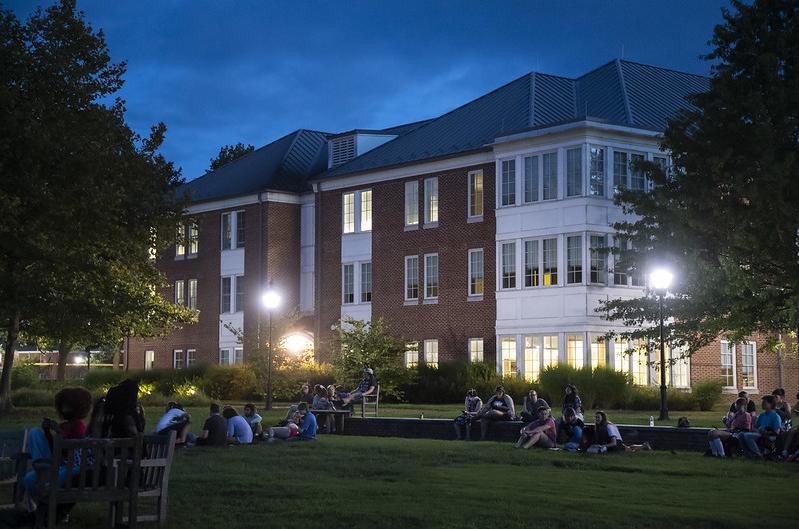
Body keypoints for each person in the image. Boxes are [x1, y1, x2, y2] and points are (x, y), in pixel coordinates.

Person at [22, 387, 93, 500]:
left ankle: (52, 508)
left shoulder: (79, 426)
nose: (64, 409)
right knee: (34, 432)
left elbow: (72, 448)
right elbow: (53, 447)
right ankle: (42, 466)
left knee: (37, 480)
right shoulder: (63, 425)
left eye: (67, 406)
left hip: (69, 464)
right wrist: (47, 431)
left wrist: (58, 432)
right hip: (54, 462)